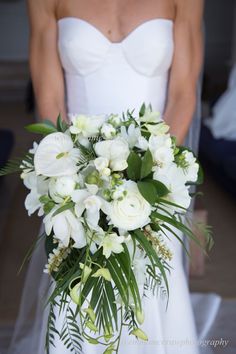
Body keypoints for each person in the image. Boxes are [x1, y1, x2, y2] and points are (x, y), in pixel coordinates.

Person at [11, 1, 204, 353]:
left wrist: (149, 176)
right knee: (78, 295)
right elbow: (50, 97)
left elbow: (182, 94)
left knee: (152, 294)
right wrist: (83, 177)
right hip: (78, 182)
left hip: (154, 182)